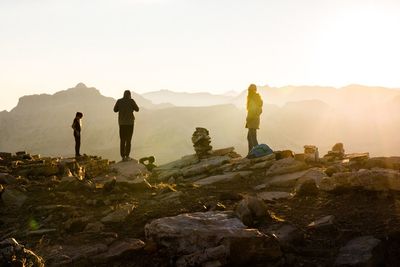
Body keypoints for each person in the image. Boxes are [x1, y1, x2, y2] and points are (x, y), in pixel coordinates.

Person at [113, 90, 139, 161]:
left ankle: (123, 156)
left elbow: (115, 110)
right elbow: (137, 109)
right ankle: (127, 156)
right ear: (129, 94)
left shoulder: (119, 101)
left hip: (122, 124)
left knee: (122, 140)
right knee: (128, 140)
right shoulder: (131, 101)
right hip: (130, 123)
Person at [245, 84, 263, 153]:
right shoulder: (255, 97)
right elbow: (259, 110)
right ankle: (251, 153)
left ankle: (258, 153)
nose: (249, 91)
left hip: (252, 120)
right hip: (253, 120)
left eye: (249, 90)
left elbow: (253, 110)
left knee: (253, 139)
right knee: (250, 138)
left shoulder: (253, 98)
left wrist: (249, 119)